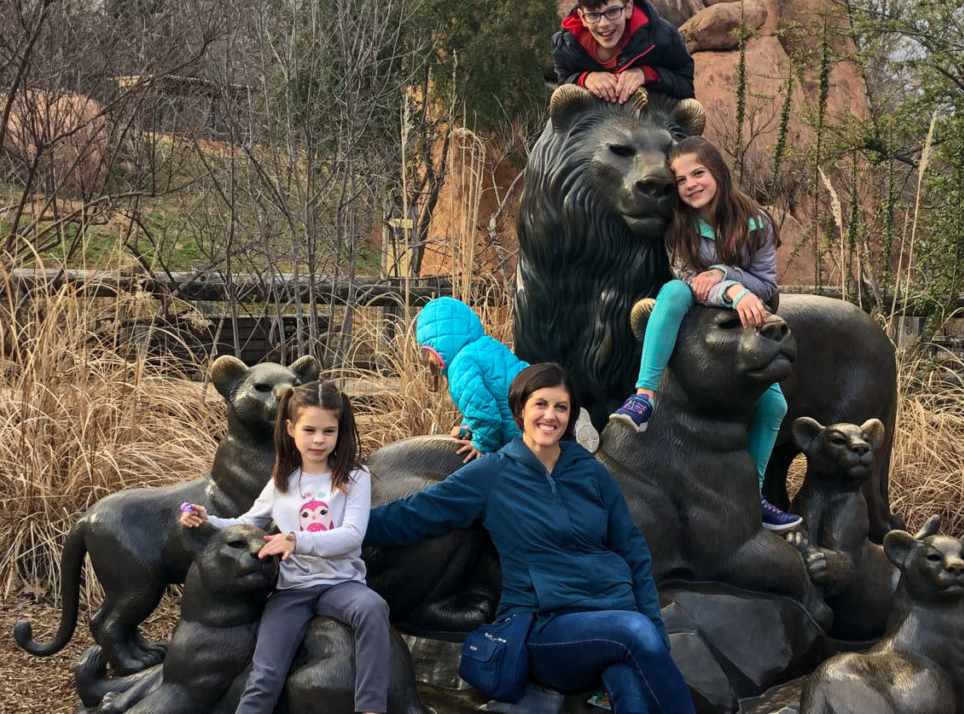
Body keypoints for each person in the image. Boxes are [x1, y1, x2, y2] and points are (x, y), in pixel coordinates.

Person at [365, 363, 695, 714]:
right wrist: (336, 530)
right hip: (548, 626)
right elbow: (417, 513)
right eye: (541, 404)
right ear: (520, 408)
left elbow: (632, 551)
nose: (550, 416)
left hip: (615, 614)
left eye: (561, 407)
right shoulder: (493, 473)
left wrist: (655, 635)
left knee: (632, 684)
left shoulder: (591, 472)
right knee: (636, 634)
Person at [609, 135, 801, 533]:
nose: (691, 184)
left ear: (717, 172)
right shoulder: (679, 226)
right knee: (672, 290)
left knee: (774, 407)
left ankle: (754, 494)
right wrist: (730, 288)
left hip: (741, 326)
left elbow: (768, 284)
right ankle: (643, 396)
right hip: (698, 320)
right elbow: (688, 281)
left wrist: (729, 275)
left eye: (698, 173)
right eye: (680, 179)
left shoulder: (756, 221)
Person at [180, 381, 389, 714]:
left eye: (328, 431)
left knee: (373, 608)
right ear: (291, 429)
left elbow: (351, 536)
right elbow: (249, 522)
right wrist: (208, 521)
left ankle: (372, 708)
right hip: (291, 590)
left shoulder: (354, 476)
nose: (319, 439)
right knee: (265, 670)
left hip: (342, 584)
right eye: (310, 430)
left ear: (339, 431)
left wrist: (296, 539)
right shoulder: (282, 479)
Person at [552, 0, 695, 103]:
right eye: (593, 15)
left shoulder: (662, 37)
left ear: (628, 8)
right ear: (582, 17)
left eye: (613, 11)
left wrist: (647, 74)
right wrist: (584, 78)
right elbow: (563, 84)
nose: (603, 23)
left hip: (650, 116)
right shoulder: (566, 46)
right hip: (595, 121)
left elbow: (686, 86)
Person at [416, 296, 530, 462]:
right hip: (536, 420)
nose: (430, 360)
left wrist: (480, 445)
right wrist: (466, 428)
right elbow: (486, 402)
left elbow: (487, 416)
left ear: (440, 346)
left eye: (428, 352)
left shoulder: (459, 367)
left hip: (521, 439)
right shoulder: (488, 346)